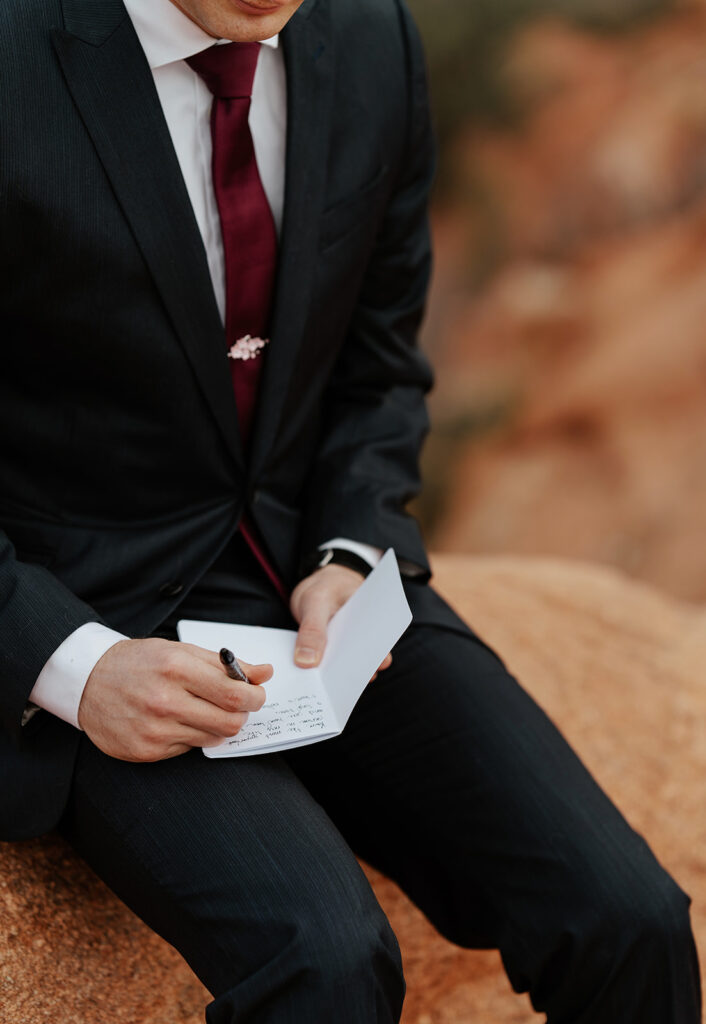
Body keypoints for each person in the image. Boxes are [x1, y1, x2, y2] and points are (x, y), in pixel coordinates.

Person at [0, 0, 701, 1020]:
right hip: (88, 607)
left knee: (628, 917)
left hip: (311, 589)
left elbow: (376, 366)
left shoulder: (373, 36)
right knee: (324, 963)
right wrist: (71, 664)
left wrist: (351, 546)